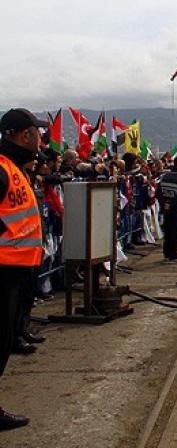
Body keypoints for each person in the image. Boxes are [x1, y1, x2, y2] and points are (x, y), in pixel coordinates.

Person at [0, 108, 48, 431]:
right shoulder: (3, 169)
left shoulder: (14, 168)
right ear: (23, 135)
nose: (41, 137)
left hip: (17, 272)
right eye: (37, 131)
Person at [157, 155, 177, 262]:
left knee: (167, 231)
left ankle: (166, 253)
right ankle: (173, 255)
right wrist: (173, 205)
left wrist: (164, 204)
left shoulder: (164, 176)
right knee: (176, 232)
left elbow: (158, 192)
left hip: (165, 209)